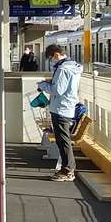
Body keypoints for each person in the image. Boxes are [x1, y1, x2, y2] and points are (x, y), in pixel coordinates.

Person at [38, 44, 83, 181]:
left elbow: (58, 90)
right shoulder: (73, 67)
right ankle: (68, 169)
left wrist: (42, 85)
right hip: (66, 107)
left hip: (60, 108)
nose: (52, 62)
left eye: (52, 59)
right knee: (64, 140)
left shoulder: (63, 69)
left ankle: (68, 170)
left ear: (56, 55)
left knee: (63, 141)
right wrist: (51, 82)